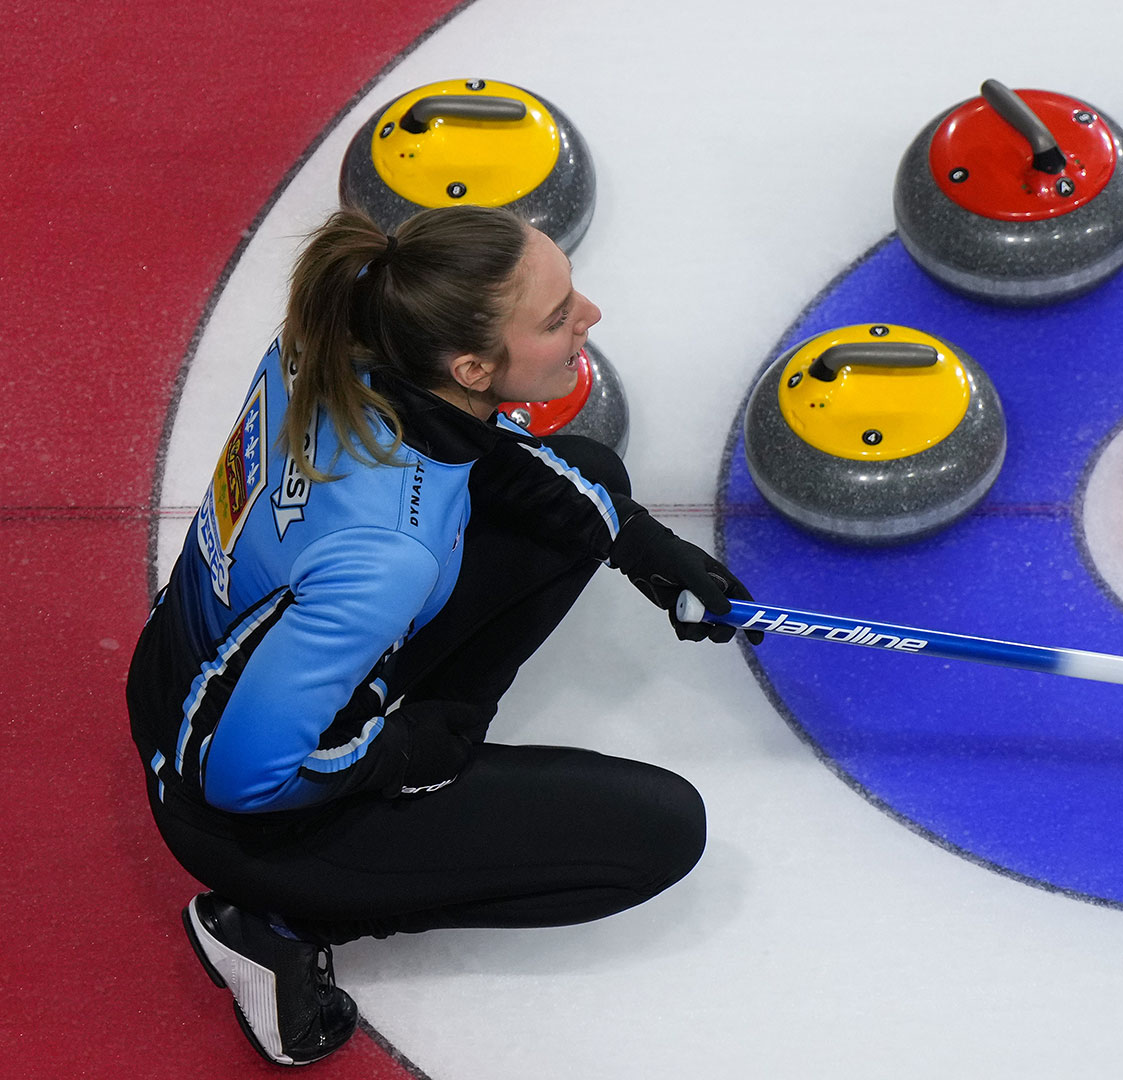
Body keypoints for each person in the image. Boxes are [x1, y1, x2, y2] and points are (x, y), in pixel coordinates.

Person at [125, 205, 759, 1066]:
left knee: (590, 490)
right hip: (231, 807)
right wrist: (407, 753)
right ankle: (276, 924)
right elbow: (241, 778)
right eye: (557, 314)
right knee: (660, 834)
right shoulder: (390, 555)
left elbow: (474, 449)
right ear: (468, 363)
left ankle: (418, 785)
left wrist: (641, 545)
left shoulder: (348, 326)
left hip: (196, 664)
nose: (592, 317)